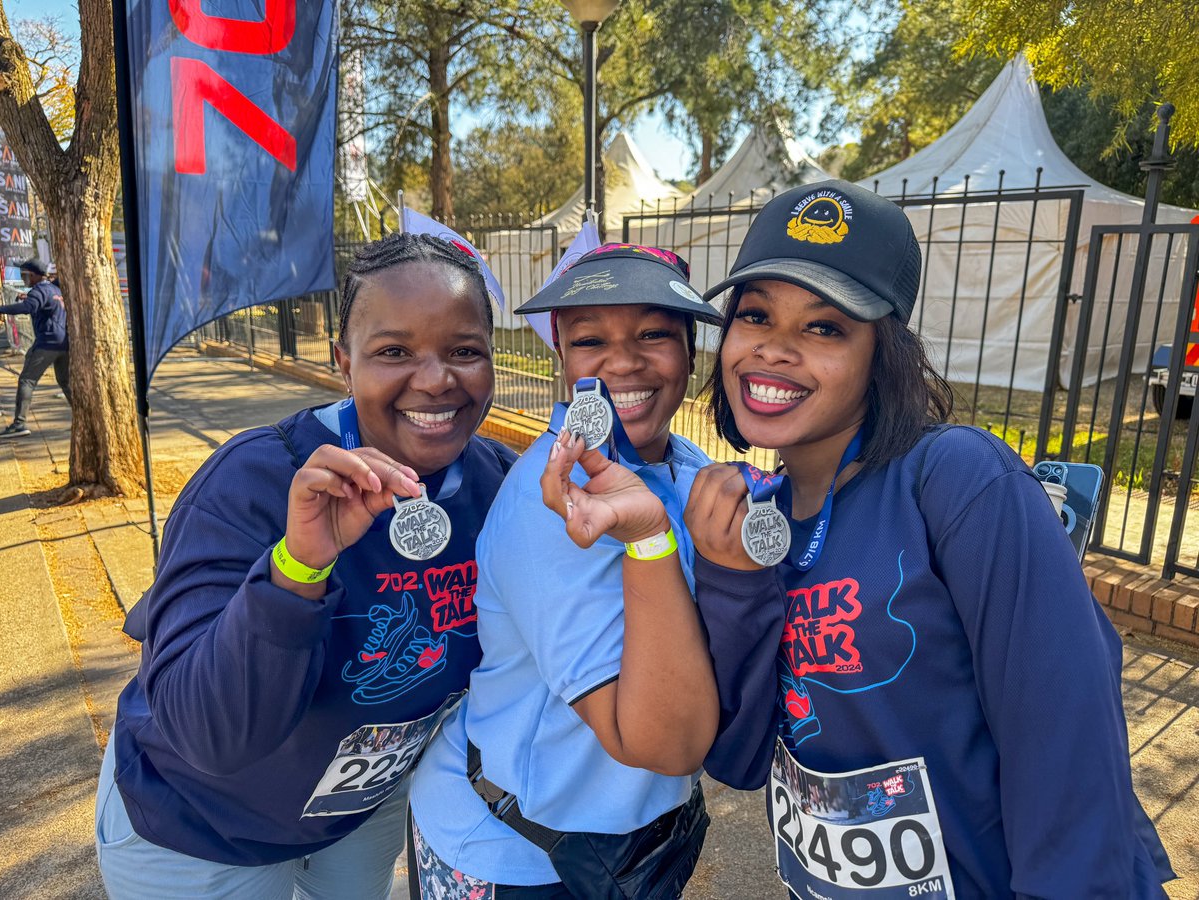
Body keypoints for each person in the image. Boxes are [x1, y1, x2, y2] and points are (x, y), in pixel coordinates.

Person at [685, 180, 1175, 899]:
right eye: (755, 315)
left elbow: (1067, 733)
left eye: (825, 328)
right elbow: (741, 758)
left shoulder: (956, 479)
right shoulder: (756, 522)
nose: (775, 349)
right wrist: (730, 577)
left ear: (881, 354)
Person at [95, 233, 517, 899]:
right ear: (343, 361)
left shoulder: (504, 488)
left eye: (465, 351)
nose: (436, 378)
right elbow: (210, 735)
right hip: (201, 829)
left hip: (356, 815)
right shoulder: (252, 483)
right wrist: (296, 569)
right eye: (394, 351)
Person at [409, 244, 723, 898]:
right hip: (514, 849)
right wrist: (650, 542)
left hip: (626, 837)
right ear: (562, 358)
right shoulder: (552, 506)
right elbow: (662, 743)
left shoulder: (689, 468)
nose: (623, 361)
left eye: (653, 334)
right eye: (590, 340)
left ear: (690, 351)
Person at [0, 258, 69, 438]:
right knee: (65, 381)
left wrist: (1, 309)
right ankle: (84, 417)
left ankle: (19, 424)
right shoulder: (54, 289)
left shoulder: (38, 291)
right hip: (64, 344)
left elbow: (28, 307)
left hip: (46, 343)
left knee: (27, 381)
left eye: (25, 276)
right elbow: (41, 302)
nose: (24, 280)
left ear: (34, 275)